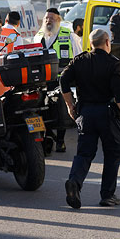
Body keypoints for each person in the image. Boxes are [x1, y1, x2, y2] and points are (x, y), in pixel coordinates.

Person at [61, 29, 120, 209]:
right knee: (113, 152)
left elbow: (63, 80)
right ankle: (107, 195)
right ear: (107, 42)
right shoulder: (113, 63)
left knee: (84, 153)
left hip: (85, 114)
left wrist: (70, 105)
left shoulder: (80, 60)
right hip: (107, 114)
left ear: (91, 43)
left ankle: (74, 183)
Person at [34, 8, 81, 152]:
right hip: (43, 81)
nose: (48, 21)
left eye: (52, 18)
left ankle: (60, 140)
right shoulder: (38, 37)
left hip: (62, 81)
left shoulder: (70, 36)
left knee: (61, 112)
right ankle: (47, 137)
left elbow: (79, 58)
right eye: (46, 18)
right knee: (43, 111)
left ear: (59, 20)